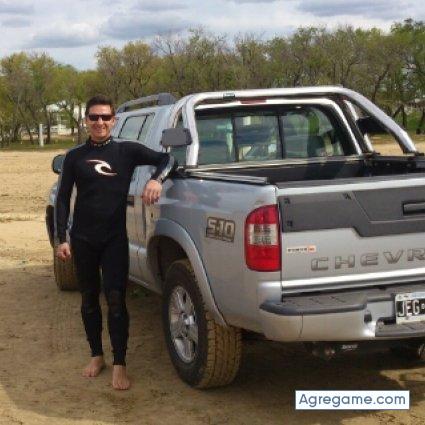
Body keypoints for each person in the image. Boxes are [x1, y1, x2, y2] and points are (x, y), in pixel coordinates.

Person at [54, 95, 176, 390]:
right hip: (83, 238)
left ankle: (120, 363)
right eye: (94, 117)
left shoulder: (127, 151)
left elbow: (168, 159)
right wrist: (61, 239)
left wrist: (156, 180)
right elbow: (62, 199)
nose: (100, 122)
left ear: (114, 120)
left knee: (116, 300)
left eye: (105, 117)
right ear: (86, 120)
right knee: (88, 299)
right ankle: (96, 355)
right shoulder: (74, 156)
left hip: (114, 239)